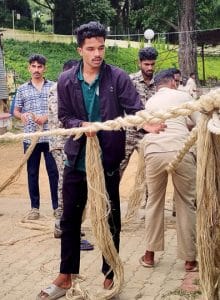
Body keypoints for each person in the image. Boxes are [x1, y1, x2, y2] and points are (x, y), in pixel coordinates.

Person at [37, 21, 165, 300]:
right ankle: (65, 275)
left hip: (107, 160)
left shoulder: (117, 78)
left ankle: (110, 272)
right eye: (91, 48)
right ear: (80, 49)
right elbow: (65, 117)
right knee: (70, 218)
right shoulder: (67, 80)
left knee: (110, 218)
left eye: (101, 48)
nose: (97, 53)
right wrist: (82, 124)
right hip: (76, 160)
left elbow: (135, 109)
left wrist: (148, 125)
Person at [139, 69, 199, 272]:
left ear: (157, 86)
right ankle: (190, 259)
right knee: (186, 202)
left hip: (154, 152)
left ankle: (149, 255)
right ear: (173, 83)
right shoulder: (184, 96)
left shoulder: (150, 102)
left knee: (154, 201)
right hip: (180, 151)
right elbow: (199, 123)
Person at [47, 59, 94, 251]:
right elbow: (65, 118)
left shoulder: (60, 88)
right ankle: (65, 228)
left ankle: (68, 227)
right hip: (62, 144)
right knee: (65, 187)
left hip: (67, 143)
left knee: (68, 186)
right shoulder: (60, 89)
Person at [14, 54, 59, 220]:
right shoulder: (22, 89)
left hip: (50, 137)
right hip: (30, 139)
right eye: (33, 66)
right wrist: (22, 115)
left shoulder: (54, 87)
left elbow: (59, 109)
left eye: (40, 67)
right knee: (32, 173)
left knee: (53, 172)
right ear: (29, 68)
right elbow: (16, 110)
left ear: (44, 68)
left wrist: (47, 117)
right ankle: (34, 208)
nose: (36, 70)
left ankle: (57, 206)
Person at [119, 47, 158, 208]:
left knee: (152, 171)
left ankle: (151, 206)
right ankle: (109, 203)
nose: (149, 68)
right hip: (130, 133)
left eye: (152, 64)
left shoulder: (160, 82)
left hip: (151, 135)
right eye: (146, 64)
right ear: (139, 63)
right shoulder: (130, 81)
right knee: (118, 168)